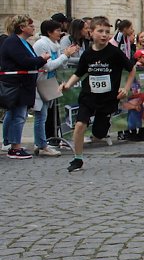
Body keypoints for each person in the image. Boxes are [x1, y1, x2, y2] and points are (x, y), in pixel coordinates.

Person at [60, 17, 136, 172]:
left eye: (107, 32)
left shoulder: (114, 52)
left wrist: (126, 88)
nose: (104, 35)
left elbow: (132, 69)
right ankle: (77, 158)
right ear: (91, 33)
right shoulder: (87, 54)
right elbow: (79, 72)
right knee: (80, 125)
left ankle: (104, 121)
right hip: (89, 96)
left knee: (99, 134)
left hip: (108, 99)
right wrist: (67, 85)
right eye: (100, 31)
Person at [0, 15, 50, 159]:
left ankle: (12, 143)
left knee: (16, 114)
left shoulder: (22, 42)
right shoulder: (13, 42)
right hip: (16, 85)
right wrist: (42, 59)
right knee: (19, 116)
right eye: (30, 25)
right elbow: (25, 62)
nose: (33, 28)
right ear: (22, 27)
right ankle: (15, 147)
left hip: (22, 85)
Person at [33, 19, 78, 156]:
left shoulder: (55, 45)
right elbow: (47, 66)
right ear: (49, 32)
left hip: (51, 81)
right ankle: (41, 145)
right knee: (41, 115)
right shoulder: (41, 44)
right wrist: (65, 55)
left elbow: (61, 65)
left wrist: (66, 55)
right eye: (57, 30)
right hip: (41, 82)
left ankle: (42, 143)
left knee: (45, 115)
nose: (60, 33)